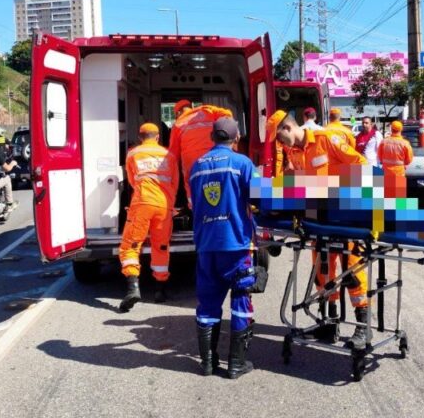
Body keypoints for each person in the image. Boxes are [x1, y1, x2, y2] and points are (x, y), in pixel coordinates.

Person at [266, 109, 371, 348]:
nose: (280, 144)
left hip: (343, 216)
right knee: (323, 273)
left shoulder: (326, 140)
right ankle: (329, 324)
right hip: (317, 220)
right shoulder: (293, 152)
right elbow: (296, 181)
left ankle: (363, 327)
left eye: (280, 138)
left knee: (351, 272)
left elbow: (361, 164)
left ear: (287, 128)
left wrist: (338, 192)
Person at [190, 117, 257, 378]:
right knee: (240, 299)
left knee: (207, 303)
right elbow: (262, 197)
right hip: (236, 245)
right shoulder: (242, 163)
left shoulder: (196, 166)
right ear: (236, 137)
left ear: (212, 138)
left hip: (206, 244)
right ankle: (236, 364)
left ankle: (207, 364)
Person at [118, 123, 179, 312]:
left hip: (142, 204)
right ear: (158, 137)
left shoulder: (132, 154)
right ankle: (160, 290)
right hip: (164, 207)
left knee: (130, 247)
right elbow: (175, 182)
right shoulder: (169, 155)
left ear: (140, 137)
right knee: (161, 247)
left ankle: (133, 288)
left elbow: (131, 180)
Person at [169, 99, 233, 202]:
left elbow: (173, 154)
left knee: (192, 187)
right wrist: (264, 203)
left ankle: (193, 206)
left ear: (178, 112)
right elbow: (227, 114)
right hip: (214, 159)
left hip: (191, 163)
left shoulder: (178, 123)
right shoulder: (241, 162)